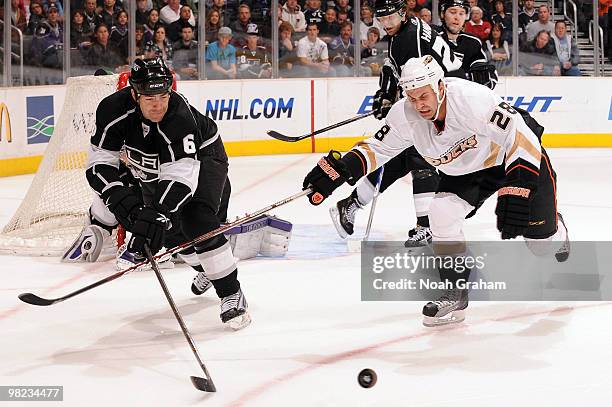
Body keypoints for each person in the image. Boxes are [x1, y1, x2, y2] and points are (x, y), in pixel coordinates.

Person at [302, 55, 570, 327]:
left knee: (541, 247)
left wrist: (519, 186)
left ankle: (556, 231)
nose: (419, 105)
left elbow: (521, 135)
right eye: (412, 97)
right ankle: (456, 292)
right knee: (441, 212)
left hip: (511, 159)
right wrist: (338, 171)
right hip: (468, 172)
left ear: (440, 87)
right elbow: (378, 148)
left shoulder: (471, 99)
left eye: (424, 96)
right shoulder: (405, 114)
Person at [68, 58, 251, 330]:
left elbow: (182, 178)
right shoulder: (111, 110)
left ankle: (230, 293)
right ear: (134, 94)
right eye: (150, 98)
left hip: (203, 158)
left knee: (195, 219)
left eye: (163, 96)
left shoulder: (179, 116)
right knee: (170, 233)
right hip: (152, 165)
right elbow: (99, 165)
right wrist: (125, 204)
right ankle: (206, 270)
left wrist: (157, 213)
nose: (158, 105)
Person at [329, 0, 465, 247]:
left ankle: (352, 204)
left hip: (446, 101)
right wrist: (386, 93)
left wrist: (394, 101)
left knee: (411, 158)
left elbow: (418, 82)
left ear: (402, 13)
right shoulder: (407, 28)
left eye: (390, 18)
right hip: (439, 100)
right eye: (382, 20)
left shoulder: (408, 39)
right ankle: (424, 225)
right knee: (414, 157)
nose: (386, 24)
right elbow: (393, 69)